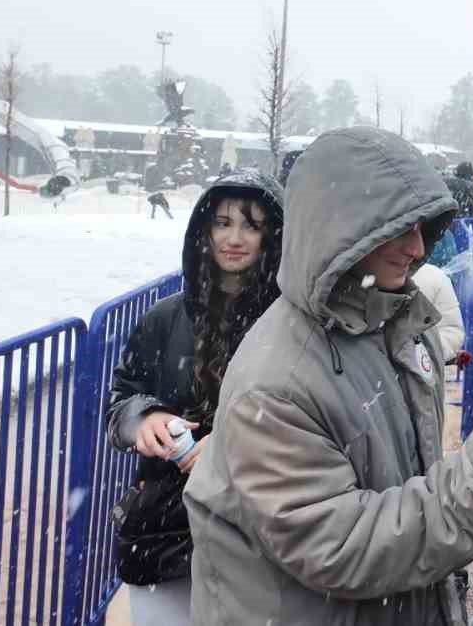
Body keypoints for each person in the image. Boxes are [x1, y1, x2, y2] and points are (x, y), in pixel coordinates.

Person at [183, 128, 473, 625]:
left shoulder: (392, 323)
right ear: (339, 230)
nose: (417, 248)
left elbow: (403, 476)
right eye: (396, 230)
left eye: (422, 227)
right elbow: (343, 545)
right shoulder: (277, 381)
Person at [106, 169, 285, 623]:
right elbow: (122, 399)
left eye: (251, 225)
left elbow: (309, 414)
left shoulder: (290, 324)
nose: (235, 237)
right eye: (223, 222)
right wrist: (143, 419)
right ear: (203, 229)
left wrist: (235, 441)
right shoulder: (164, 319)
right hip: (164, 527)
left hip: (257, 527)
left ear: (272, 236)